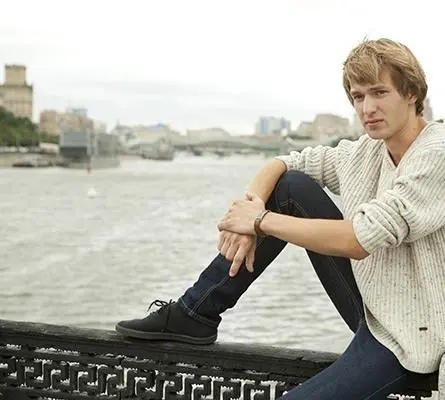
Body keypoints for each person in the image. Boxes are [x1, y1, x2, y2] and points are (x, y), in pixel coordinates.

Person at [116, 38, 445, 399]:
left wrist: (259, 221)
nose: (367, 108)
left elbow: (360, 239)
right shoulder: (366, 152)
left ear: (412, 93)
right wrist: (252, 207)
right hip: (375, 306)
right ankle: (195, 313)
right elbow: (285, 163)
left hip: (416, 333)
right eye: (358, 97)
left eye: (380, 92)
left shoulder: (437, 153)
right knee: (290, 186)